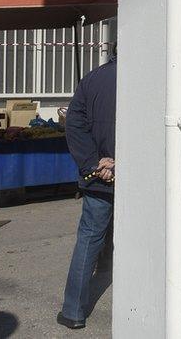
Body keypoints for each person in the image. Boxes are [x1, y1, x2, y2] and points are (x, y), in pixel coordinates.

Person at [57, 54, 116, 329]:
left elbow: (73, 124)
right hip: (136, 176)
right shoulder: (146, 77)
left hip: (97, 176)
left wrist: (94, 162)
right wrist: (119, 162)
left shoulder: (91, 79)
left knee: (90, 237)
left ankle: (73, 312)